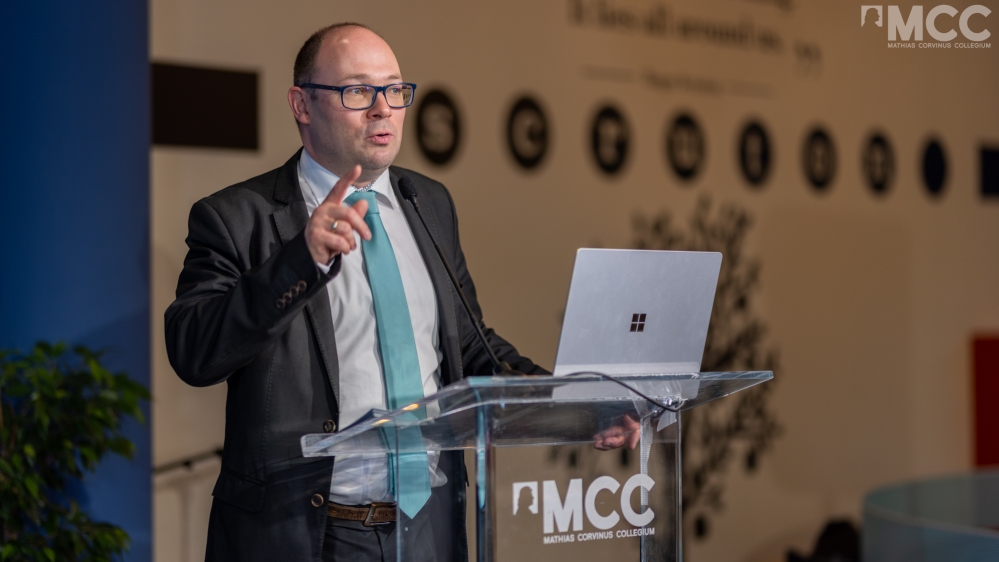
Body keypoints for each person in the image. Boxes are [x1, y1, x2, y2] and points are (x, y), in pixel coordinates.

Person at [165, 22, 546, 562]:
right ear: (302, 104)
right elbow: (195, 352)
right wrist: (301, 260)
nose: (383, 109)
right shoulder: (236, 217)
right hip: (311, 535)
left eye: (394, 90)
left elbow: (469, 346)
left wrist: (572, 402)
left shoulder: (427, 201)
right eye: (358, 91)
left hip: (429, 526)